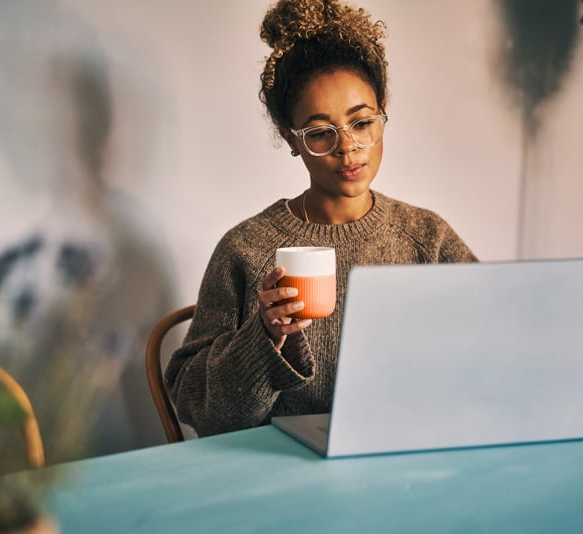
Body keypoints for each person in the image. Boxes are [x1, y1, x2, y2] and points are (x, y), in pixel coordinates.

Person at [165, 0, 477, 437]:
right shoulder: (247, 249)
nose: (347, 148)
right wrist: (265, 336)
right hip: (279, 476)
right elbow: (193, 403)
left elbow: (494, 351)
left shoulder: (428, 238)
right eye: (319, 133)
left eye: (362, 123)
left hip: (405, 463)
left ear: (383, 112)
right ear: (289, 138)